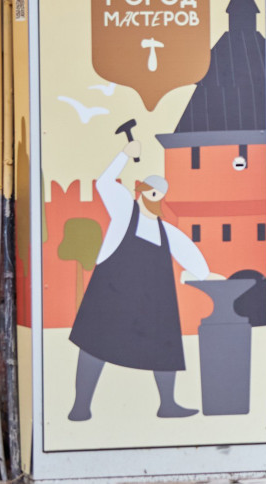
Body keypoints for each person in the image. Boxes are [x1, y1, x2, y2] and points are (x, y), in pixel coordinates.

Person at [68, 140, 210, 421]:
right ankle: (80, 407)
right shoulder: (123, 211)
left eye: (159, 194)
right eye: (150, 191)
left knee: (165, 346)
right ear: (141, 191)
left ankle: (167, 405)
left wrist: (194, 275)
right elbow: (104, 184)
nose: (154, 197)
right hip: (112, 295)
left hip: (150, 303)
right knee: (94, 343)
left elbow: (196, 261)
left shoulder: (165, 230)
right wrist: (123, 154)